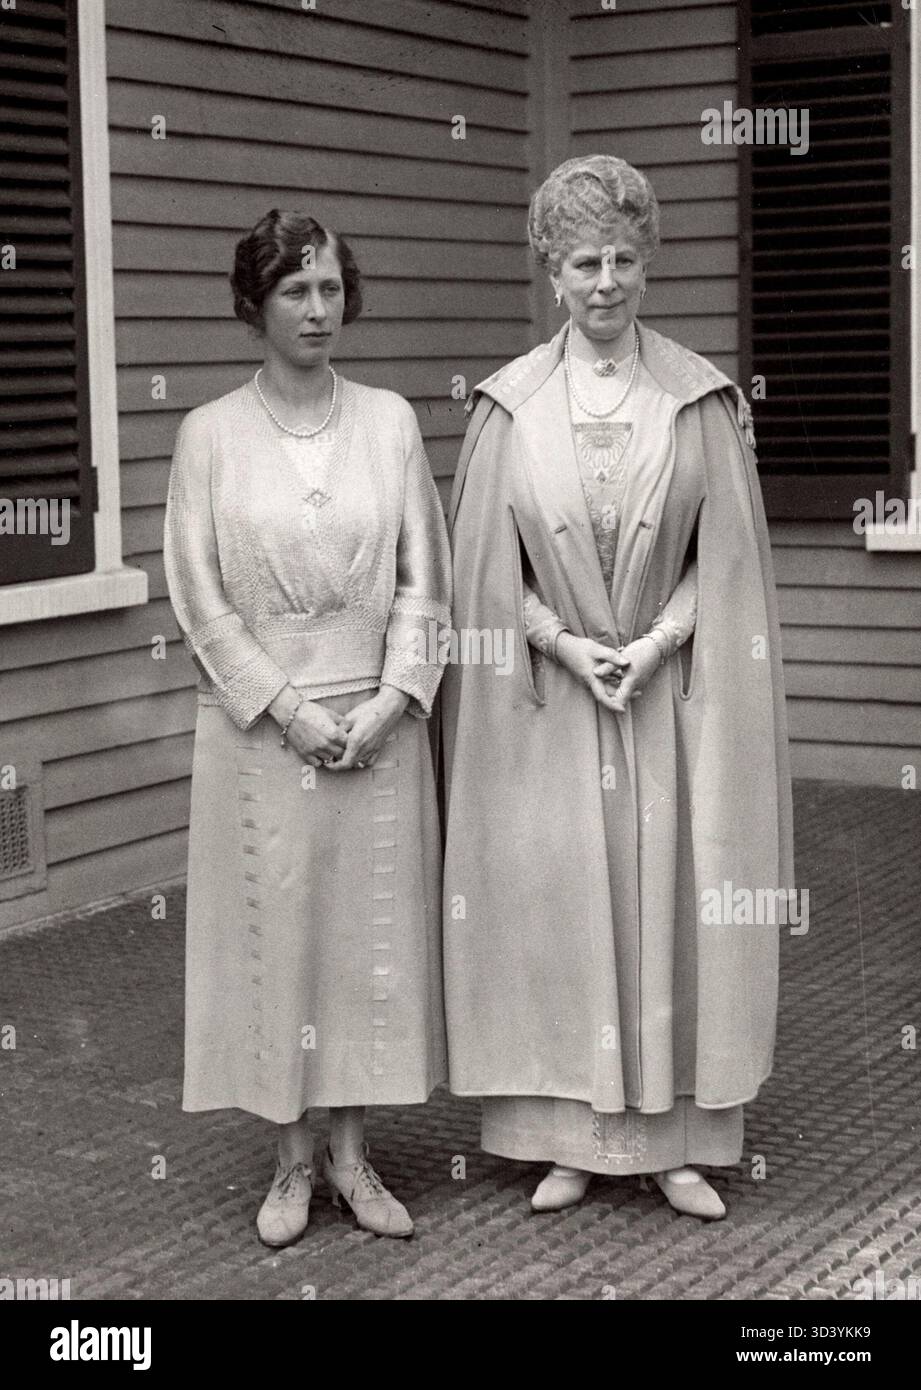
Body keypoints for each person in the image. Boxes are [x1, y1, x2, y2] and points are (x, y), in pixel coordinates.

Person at [441, 155, 794, 1220]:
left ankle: (674, 1141)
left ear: (649, 267)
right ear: (552, 272)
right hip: (552, 707)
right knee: (557, 911)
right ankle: (571, 1138)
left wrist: (654, 646)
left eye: (625, 261)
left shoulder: (697, 400)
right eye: (585, 260)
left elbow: (727, 570)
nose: (606, 281)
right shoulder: (506, 408)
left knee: (671, 903)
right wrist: (556, 641)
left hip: (667, 698)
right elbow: (482, 578)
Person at [164, 210, 452, 1245]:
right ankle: (290, 1163)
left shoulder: (387, 422)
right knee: (279, 939)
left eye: (331, 288)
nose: (319, 309)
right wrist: (287, 709)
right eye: (296, 291)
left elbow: (426, 576)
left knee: (362, 944)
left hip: (375, 725)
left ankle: (353, 1155)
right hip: (261, 732)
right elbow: (199, 598)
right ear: (256, 304)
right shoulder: (208, 435)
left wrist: (389, 702)